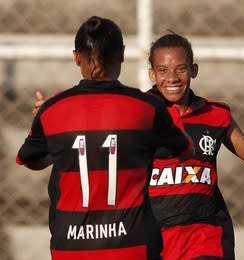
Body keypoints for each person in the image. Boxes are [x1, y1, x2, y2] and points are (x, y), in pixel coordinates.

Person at [31, 33, 244, 260]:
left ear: (194, 70)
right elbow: (87, 136)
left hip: (205, 235)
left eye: (181, 69)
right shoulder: (136, 113)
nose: (172, 78)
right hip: (149, 236)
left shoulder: (217, 115)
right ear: (151, 74)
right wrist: (53, 116)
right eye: (162, 71)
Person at [16, 17, 193, 260]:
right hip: (133, 247)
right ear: (121, 54)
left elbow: (29, 159)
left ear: (77, 57)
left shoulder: (52, 110)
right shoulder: (147, 108)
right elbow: (185, 150)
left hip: (70, 249)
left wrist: (59, 139)